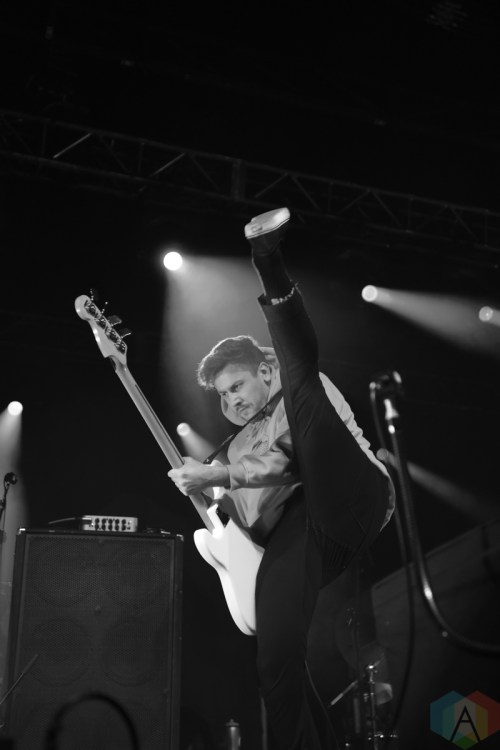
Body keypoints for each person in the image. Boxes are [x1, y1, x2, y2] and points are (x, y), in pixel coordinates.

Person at [168, 207, 395, 750]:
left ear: (263, 371)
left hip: (351, 494)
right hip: (312, 534)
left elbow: (287, 461)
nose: (230, 401)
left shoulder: (297, 390)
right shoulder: (233, 445)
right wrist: (219, 505)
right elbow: (255, 521)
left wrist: (221, 474)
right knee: (275, 663)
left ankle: (267, 261)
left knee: (303, 381)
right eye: (221, 395)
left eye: (238, 385)